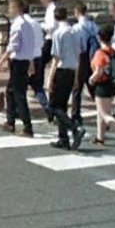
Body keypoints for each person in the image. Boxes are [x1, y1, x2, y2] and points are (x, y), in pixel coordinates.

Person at [0, 0, 42, 136]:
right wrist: (31, 62)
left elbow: (13, 46)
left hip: (17, 61)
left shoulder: (18, 24)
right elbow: (30, 45)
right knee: (11, 91)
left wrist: (1, 61)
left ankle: (27, 126)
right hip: (24, 60)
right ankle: (10, 121)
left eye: (11, 7)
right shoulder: (27, 24)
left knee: (18, 93)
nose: (9, 10)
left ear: (17, 8)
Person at [48, 9, 83, 150]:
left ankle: (74, 128)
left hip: (61, 71)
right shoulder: (75, 32)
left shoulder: (58, 33)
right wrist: (76, 77)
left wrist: (50, 77)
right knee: (62, 106)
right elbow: (78, 55)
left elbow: (56, 57)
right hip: (72, 70)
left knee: (55, 106)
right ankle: (63, 138)